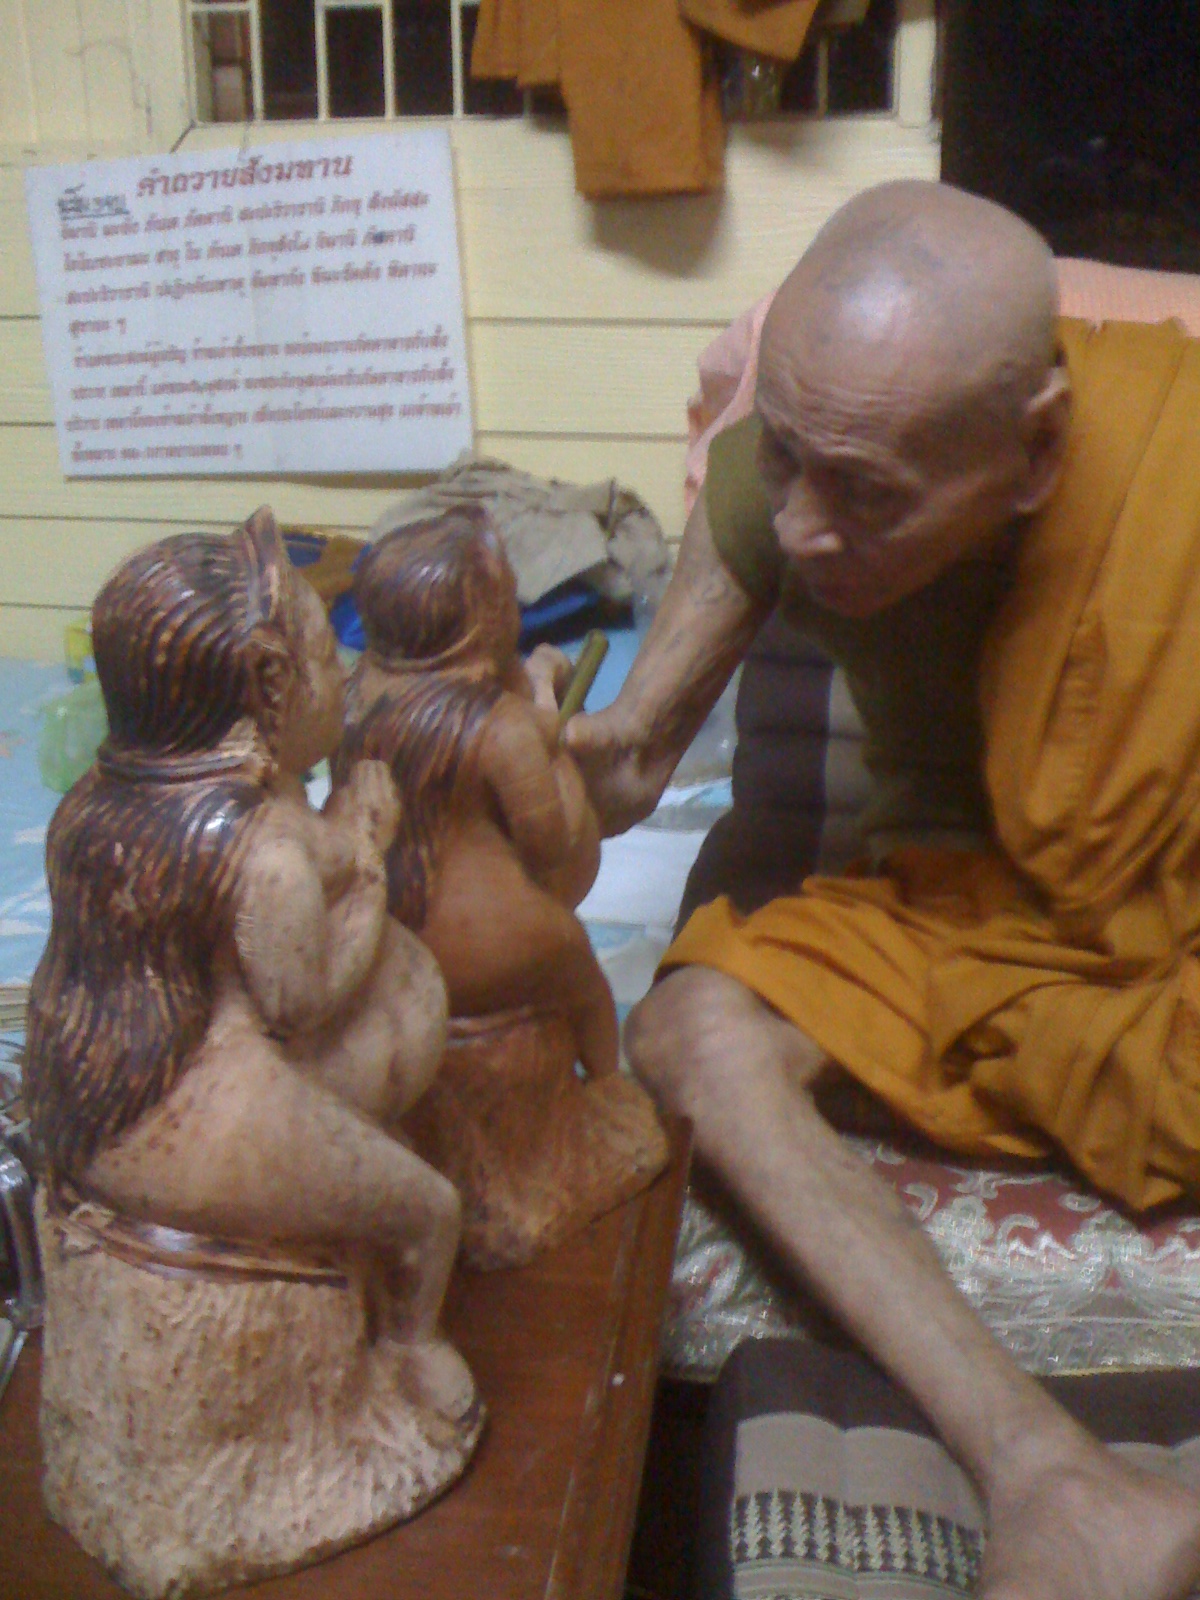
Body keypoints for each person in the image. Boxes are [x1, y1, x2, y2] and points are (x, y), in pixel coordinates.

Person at [534, 179, 1200, 1598]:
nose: (803, 528)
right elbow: (635, 762)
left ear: (1035, 451)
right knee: (692, 1029)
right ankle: (1046, 1471)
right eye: (785, 457)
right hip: (951, 904)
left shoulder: (1177, 466)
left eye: (868, 495)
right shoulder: (780, 487)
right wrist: (544, 764)